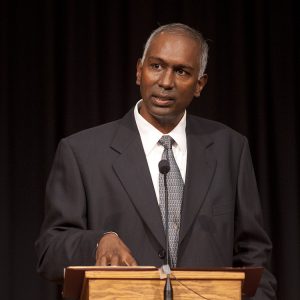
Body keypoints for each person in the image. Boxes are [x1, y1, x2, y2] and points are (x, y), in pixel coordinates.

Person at [35, 23, 276, 299]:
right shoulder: (81, 152)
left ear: (200, 84)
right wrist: (98, 242)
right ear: (139, 71)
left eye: (181, 71)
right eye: (156, 66)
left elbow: (254, 254)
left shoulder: (230, 148)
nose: (166, 82)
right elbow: (49, 251)